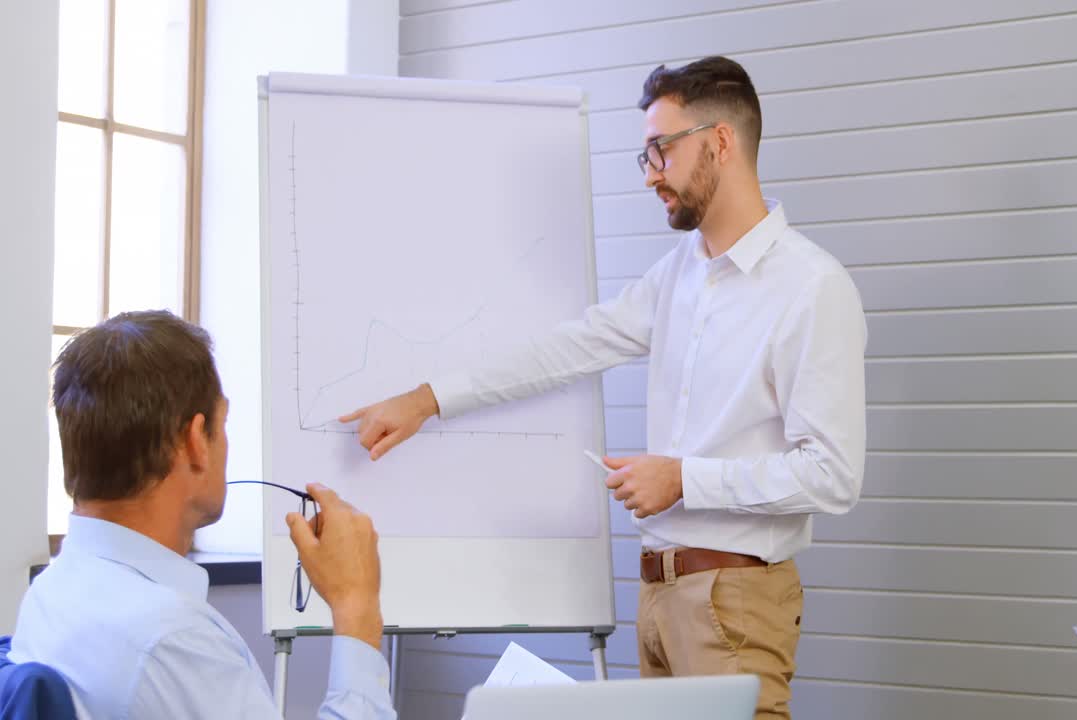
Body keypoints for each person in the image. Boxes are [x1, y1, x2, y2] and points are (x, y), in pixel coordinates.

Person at [342, 56, 866, 720]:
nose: (650, 174)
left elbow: (833, 475)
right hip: (657, 599)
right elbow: (568, 348)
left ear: (721, 142)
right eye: (643, 155)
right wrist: (427, 398)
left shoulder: (811, 288)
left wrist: (683, 479)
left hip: (734, 603)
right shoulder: (679, 275)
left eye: (661, 150)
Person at [11, 310, 395, 719]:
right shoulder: (171, 641)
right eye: (223, 422)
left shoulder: (51, 591)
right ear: (196, 440)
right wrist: (356, 606)